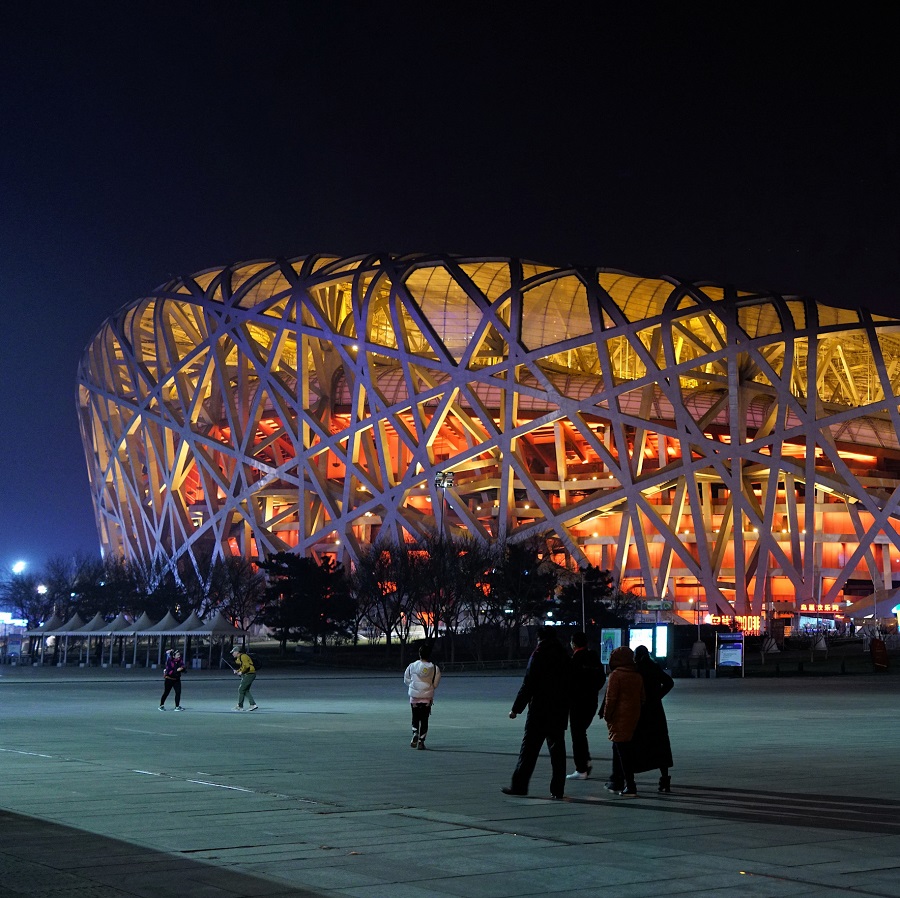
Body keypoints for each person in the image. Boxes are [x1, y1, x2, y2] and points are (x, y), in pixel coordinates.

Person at [502, 627, 570, 800]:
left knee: (529, 750)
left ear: (539, 638)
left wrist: (516, 709)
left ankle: (519, 786)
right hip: (559, 710)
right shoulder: (564, 655)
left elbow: (529, 684)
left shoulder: (538, 654)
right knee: (558, 752)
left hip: (539, 710)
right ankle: (558, 790)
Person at [601, 645, 645, 797]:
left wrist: (607, 715)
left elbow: (610, 698)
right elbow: (642, 697)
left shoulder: (616, 675)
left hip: (619, 717)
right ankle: (619, 781)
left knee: (622, 752)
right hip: (634, 716)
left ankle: (630, 785)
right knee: (623, 750)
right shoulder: (637, 675)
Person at [632, 644, 675, 792]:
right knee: (660, 743)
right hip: (656, 710)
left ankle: (630, 779)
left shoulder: (636, 670)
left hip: (641, 710)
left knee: (637, 743)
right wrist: (658, 696)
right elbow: (669, 682)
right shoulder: (654, 667)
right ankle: (665, 779)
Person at [566, 631, 606, 780]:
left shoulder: (575, 660)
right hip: (591, 701)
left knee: (577, 734)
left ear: (573, 644)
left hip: (578, 702)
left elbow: (569, 682)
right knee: (581, 732)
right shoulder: (594, 658)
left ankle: (581, 768)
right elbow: (601, 678)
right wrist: (593, 689)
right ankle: (585, 761)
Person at [403, 642, 442, 749]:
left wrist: (413, 685)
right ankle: (421, 741)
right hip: (427, 698)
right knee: (424, 720)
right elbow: (435, 684)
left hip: (414, 697)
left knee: (415, 717)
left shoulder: (411, 666)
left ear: (419, 654)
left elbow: (406, 679)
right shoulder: (435, 668)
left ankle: (415, 733)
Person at [231, 646, 258, 711]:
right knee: (245, 690)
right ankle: (252, 704)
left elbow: (247, 666)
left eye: (233, 652)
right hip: (249, 674)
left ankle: (240, 706)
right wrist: (237, 671)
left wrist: (241, 672)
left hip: (249, 674)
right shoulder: (240, 657)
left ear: (237, 652)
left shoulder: (243, 657)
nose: (232, 654)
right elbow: (243, 666)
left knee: (241, 689)